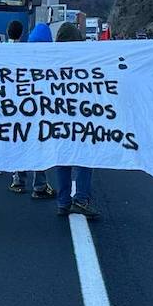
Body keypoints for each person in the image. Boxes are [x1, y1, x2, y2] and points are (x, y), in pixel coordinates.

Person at [52, 22, 101, 219]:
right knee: (85, 157)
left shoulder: (50, 60)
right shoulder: (84, 60)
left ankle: (63, 202)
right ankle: (81, 199)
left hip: (58, 119)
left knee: (63, 158)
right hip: (81, 118)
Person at [9, 21, 56, 198]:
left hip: (20, 111)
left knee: (21, 142)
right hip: (41, 113)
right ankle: (40, 186)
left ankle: (18, 180)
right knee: (39, 147)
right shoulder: (51, 62)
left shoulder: (21, 58)